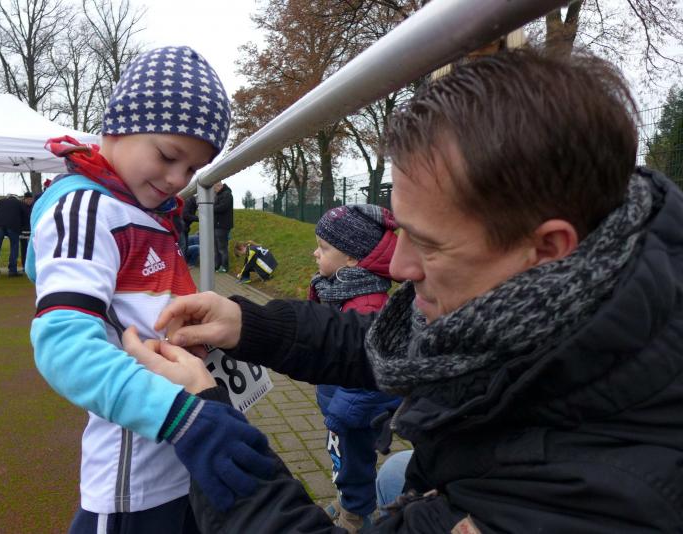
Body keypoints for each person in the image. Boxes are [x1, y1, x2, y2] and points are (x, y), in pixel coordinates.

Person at [144, 48, 683, 532]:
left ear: (547, 249)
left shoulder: (589, 500)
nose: (399, 267)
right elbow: (390, 346)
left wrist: (203, 426)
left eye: (428, 243)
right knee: (393, 475)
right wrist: (249, 324)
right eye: (400, 230)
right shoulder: (577, 291)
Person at [25, 46, 273, 534]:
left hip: (185, 457)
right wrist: (180, 417)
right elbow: (63, 346)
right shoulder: (87, 208)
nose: (178, 180)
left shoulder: (146, 211)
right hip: (135, 478)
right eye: (168, 156)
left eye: (193, 169)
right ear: (118, 125)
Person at [309, 204, 401, 531]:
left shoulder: (367, 307)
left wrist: (343, 412)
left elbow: (372, 372)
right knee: (342, 459)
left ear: (351, 258)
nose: (315, 253)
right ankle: (348, 498)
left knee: (355, 462)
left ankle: (357, 515)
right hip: (339, 403)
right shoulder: (341, 291)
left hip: (354, 410)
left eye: (324, 248)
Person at [0, 194, 25, 278]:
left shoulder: (0, 201)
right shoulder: (19, 203)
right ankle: (12, 270)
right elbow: (24, 215)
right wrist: (21, 226)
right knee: (14, 248)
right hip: (13, 227)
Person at [213, 181, 233, 272]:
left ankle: (224, 267)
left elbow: (223, 207)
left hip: (222, 225)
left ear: (219, 186)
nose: (214, 191)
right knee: (216, 247)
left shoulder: (227, 194)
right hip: (217, 225)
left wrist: (210, 208)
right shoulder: (219, 195)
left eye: (214, 189)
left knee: (222, 248)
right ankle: (217, 266)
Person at [19, 192, 34, 273]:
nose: (29, 201)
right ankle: (24, 266)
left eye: (31, 199)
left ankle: (32, 266)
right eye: (28, 199)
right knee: (24, 249)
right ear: (24, 199)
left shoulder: (34, 207)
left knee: (32, 249)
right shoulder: (21, 207)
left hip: (32, 231)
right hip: (23, 231)